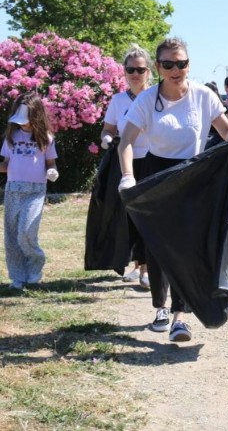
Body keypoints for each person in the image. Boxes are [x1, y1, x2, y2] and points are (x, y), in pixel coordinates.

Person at [116, 37, 228, 343]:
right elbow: (126, 142)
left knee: (188, 247)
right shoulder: (147, 100)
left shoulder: (203, 96)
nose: (176, 69)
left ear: (189, 64)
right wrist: (127, 176)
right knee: (159, 247)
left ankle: (180, 318)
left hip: (193, 177)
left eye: (182, 63)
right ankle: (161, 309)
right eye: (168, 64)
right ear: (158, 68)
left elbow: (226, 131)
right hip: (157, 175)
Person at [0, 93, 59, 290]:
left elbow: (50, 163)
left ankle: (35, 264)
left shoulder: (46, 138)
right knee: (12, 235)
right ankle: (18, 276)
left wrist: (53, 171)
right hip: (13, 190)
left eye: (27, 120)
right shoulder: (11, 137)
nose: (23, 124)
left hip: (35, 191)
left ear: (36, 116)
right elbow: (6, 164)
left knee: (26, 231)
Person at [100, 44, 153, 288]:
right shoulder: (118, 100)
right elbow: (109, 128)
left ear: (148, 71)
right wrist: (106, 138)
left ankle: (146, 267)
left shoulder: (155, 97)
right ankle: (137, 264)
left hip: (153, 161)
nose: (135, 74)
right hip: (126, 162)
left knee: (149, 215)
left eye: (140, 69)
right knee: (129, 216)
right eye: (131, 69)